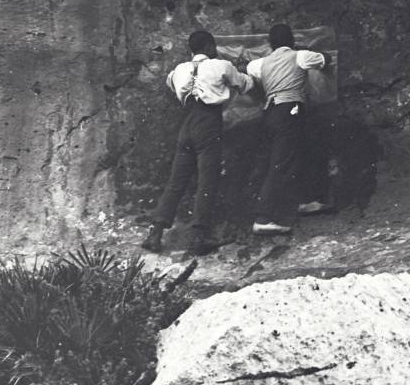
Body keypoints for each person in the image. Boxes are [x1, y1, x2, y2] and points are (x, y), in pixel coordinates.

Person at [142, 30, 254, 254]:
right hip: (209, 123)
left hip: (188, 123)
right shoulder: (221, 65)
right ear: (211, 47)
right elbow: (246, 85)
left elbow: (171, 83)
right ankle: (199, 237)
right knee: (207, 180)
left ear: (192, 50)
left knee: (177, 180)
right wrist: (242, 70)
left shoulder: (179, 70)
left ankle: (155, 234)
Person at [246, 23, 331, 235]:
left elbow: (250, 71)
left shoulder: (260, 63)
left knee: (297, 154)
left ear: (270, 44)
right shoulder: (300, 56)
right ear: (292, 40)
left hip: (270, 112)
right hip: (290, 110)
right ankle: (262, 217)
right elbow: (324, 60)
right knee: (281, 162)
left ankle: (304, 200)